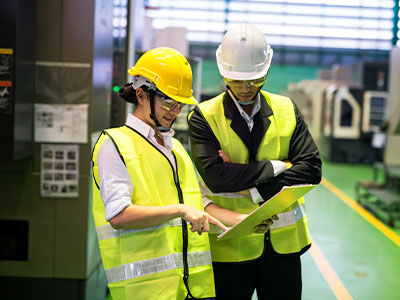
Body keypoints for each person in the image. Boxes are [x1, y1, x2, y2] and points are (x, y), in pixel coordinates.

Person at [188, 24, 322, 300]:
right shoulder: (204, 116)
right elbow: (216, 177)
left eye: (254, 79)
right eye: (237, 80)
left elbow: (311, 169)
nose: (246, 88)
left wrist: (251, 188)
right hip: (232, 247)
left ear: (267, 69)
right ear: (224, 73)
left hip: (283, 248)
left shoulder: (286, 108)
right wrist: (279, 165)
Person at [91, 47, 226, 300]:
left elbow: (195, 203)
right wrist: (180, 210)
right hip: (146, 290)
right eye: (168, 101)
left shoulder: (173, 147)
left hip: (188, 288)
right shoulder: (115, 144)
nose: (174, 111)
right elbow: (119, 215)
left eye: (180, 105)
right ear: (141, 95)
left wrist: (241, 220)